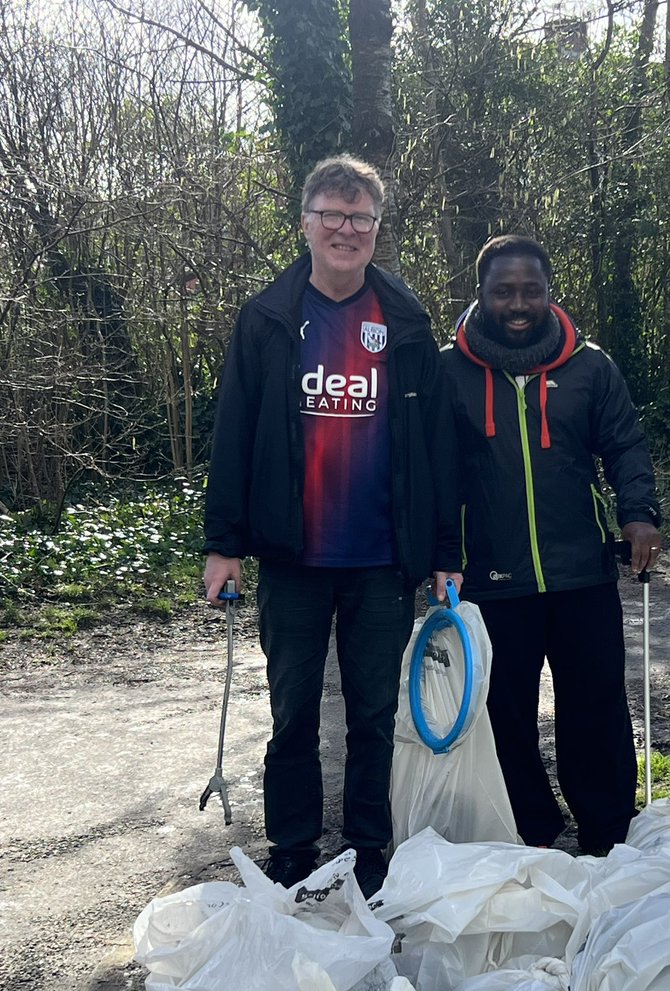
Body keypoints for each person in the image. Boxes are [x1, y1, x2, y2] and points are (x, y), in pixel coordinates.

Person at [203, 155, 463, 896]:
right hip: (292, 558)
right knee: (292, 719)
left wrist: (445, 550)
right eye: (333, 215)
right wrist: (224, 545)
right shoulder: (268, 319)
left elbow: (435, 449)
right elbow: (234, 434)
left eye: (361, 218)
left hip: (382, 560)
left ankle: (370, 853)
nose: (346, 230)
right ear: (306, 223)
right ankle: (292, 852)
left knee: (374, 719)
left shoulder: (407, 324)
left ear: (377, 229)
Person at [441, 234, 662, 854]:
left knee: (595, 710)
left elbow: (624, 447)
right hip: (489, 575)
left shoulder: (592, 367)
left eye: (530, 291)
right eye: (503, 291)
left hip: (581, 572)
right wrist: (436, 555)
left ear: (548, 292)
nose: (518, 303)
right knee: (503, 716)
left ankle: (605, 834)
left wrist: (639, 514)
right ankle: (530, 831)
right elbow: (428, 471)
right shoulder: (447, 371)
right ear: (480, 294)